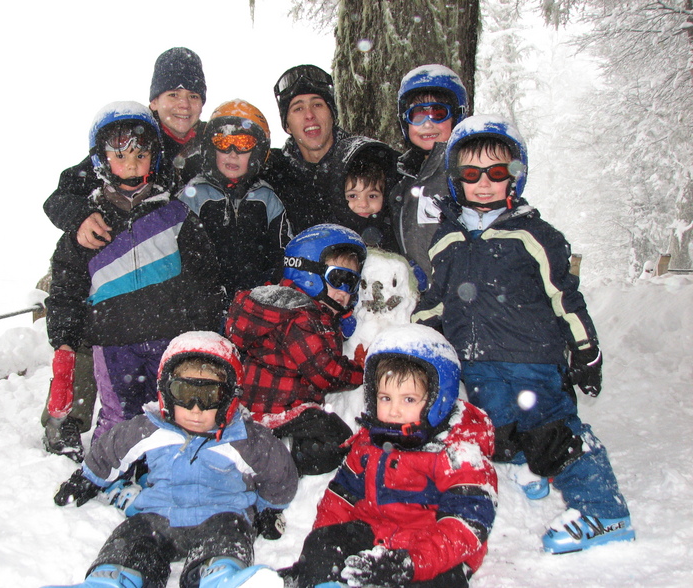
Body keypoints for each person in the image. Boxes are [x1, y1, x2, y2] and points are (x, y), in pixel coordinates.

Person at [412, 115, 635, 554]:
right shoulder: (445, 239)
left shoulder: (533, 234)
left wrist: (586, 350)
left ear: (516, 175)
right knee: (492, 427)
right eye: (470, 174)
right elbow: (436, 299)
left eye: (497, 172)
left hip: (531, 361)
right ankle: (524, 464)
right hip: (473, 361)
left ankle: (606, 511)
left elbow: (565, 298)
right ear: (455, 179)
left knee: (551, 433)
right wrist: (419, 344)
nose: (483, 183)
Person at [43, 331, 298, 588]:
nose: (195, 409)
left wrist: (269, 509)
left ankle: (222, 576)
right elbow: (111, 449)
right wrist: (88, 479)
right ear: (166, 391)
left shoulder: (243, 438)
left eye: (210, 396)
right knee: (132, 539)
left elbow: (278, 472)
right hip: (158, 515)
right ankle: (114, 579)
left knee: (228, 538)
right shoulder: (151, 428)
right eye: (184, 393)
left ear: (229, 397)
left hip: (222, 514)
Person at [44, 101, 223, 446]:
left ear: (154, 158)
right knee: (118, 418)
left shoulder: (176, 215)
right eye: (120, 156)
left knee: (173, 413)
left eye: (140, 156)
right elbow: (65, 291)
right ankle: (105, 475)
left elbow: (205, 281)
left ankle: (170, 470)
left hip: (168, 339)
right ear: (102, 160)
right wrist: (65, 347)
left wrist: (206, 332)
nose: (130, 165)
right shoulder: (88, 228)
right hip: (113, 346)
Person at [280, 324, 497, 588]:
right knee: (323, 542)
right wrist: (321, 555)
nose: (393, 411)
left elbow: (467, 524)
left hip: (430, 552)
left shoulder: (458, 451)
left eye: (408, 400)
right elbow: (340, 499)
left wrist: (411, 562)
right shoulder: (369, 443)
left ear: (438, 399)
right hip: (375, 535)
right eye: (385, 398)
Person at [225, 224, 366, 476]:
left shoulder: (291, 309)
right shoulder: (302, 319)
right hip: (275, 411)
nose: (345, 292)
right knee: (336, 438)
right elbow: (327, 373)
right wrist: (362, 371)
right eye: (339, 279)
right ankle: (284, 464)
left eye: (352, 283)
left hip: (265, 407)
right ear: (308, 273)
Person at [44, 47, 207, 249]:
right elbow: (59, 198)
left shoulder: (216, 142)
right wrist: (81, 216)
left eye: (193, 96)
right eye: (173, 94)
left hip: (191, 252)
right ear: (154, 102)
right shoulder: (133, 137)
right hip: (128, 252)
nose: (184, 104)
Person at [177, 99, 291, 300]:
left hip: (256, 301)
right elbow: (176, 254)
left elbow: (283, 252)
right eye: (222, 142)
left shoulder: (267, 199)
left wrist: (271, 288)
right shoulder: (193, 196)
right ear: (211, 149)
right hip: (205, 301)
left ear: (257, 152)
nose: (232, 153)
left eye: (243, 144)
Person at [262, 64, 392, 232]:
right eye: (298, 108)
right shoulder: (272, 173)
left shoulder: (368, 160)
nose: (309, 115)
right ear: (287, 125)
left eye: (317, 105)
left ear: (332, 115)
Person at [390, 64, 469, 281]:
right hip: (416, 298)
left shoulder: (463, 173)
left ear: (457, 117)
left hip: (456, 294)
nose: (427, 123)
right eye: (418, 115)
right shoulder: (403, 176)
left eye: (438, 113)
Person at [332, 135, 399, 252]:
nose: (363, 204)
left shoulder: (394, 233)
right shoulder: (333, 235)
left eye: (372, 196)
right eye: (353, 196)